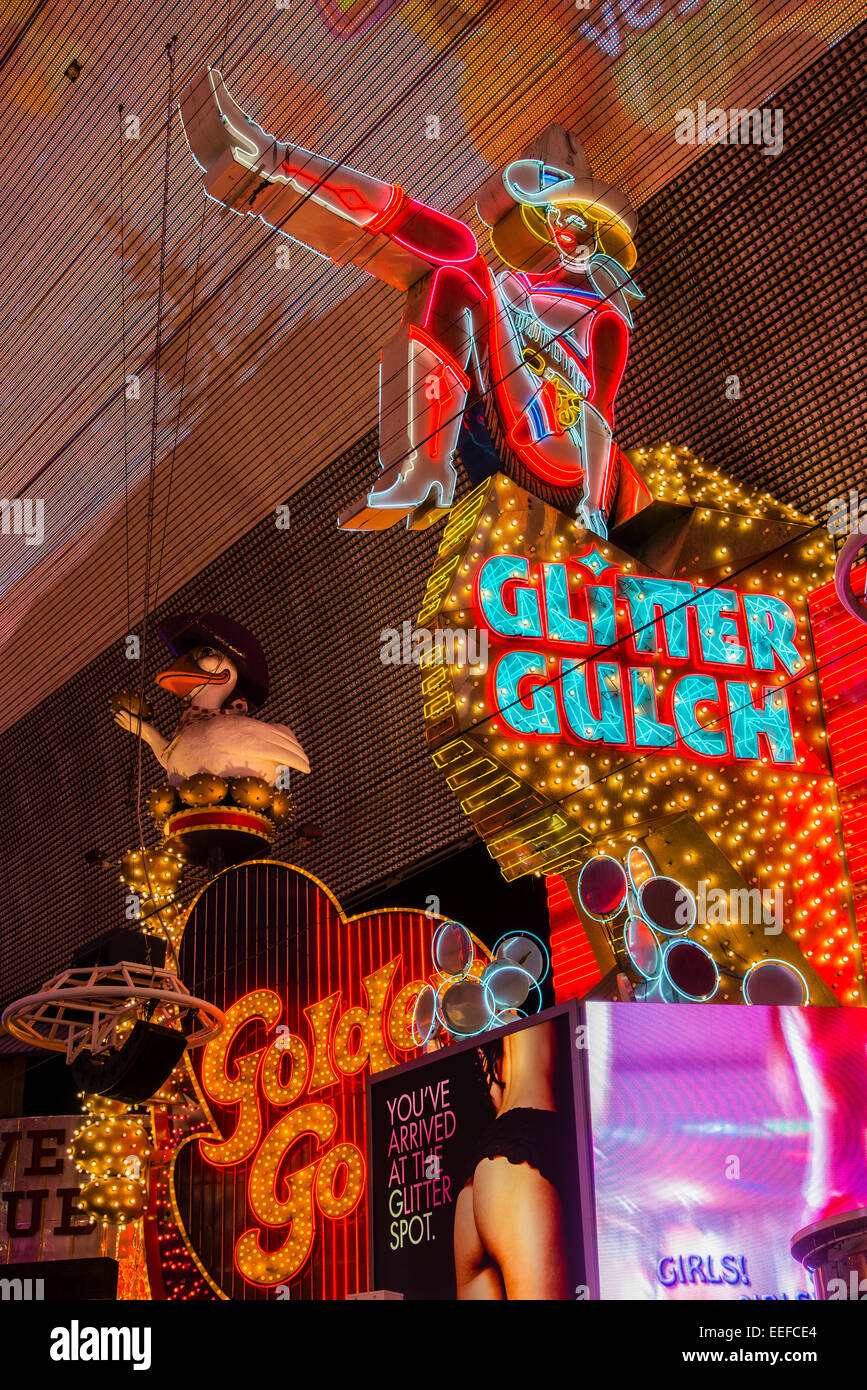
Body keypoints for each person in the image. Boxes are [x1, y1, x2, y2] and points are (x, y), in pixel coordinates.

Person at [179, 71, 649, 537]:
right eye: (559, 218)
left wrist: (592, 504)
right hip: (514, 414)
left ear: (601, 233)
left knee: (462, 250)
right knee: (447, 274)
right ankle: (424, 471)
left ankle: (273, 161)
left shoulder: (606, 317)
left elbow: (600, 414)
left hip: (559, 448)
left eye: (582, 224)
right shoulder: (522, 284)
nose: (569, 233)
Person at [453, 1019, 571, 1299]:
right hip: (527, 1150)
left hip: (483, 1176)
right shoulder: (541, 1008)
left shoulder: (489, 1022)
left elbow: (493, 1093)